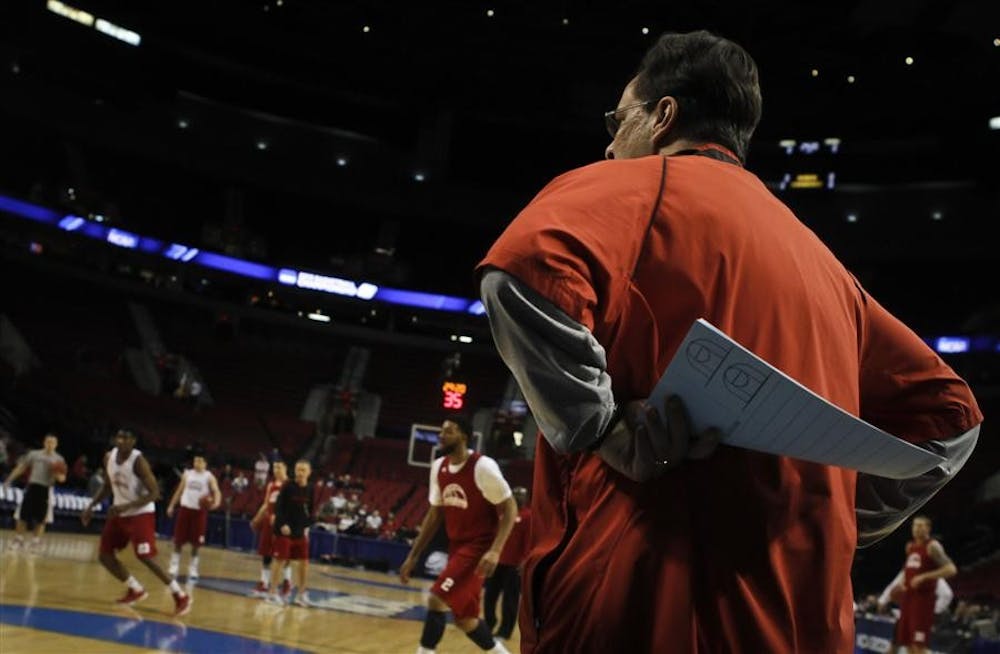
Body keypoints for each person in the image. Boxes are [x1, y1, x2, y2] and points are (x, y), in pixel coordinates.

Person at [476, 30, 982, 653]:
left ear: (663, 117)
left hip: (638, 606)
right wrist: (838, 515)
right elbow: (952, 418)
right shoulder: (826, 265)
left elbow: (521, 268)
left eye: (618, 119)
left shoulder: (630, 187)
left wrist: (600, 431)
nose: (610, 143)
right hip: (804, 625)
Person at [399, 415, 517, 654]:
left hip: (479, 547)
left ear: (464, 436)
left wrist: (495, 550)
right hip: (457, 547)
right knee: (466, 621)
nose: (441, 435)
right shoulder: (438, 467)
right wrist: (413, 556)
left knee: (436, 599)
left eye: (449, 431)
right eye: (441, 431)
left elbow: (510, 506)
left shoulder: (483, 466)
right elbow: (434, 515)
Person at [81, 429, 191, 616]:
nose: (121, 441)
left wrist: (127, 507)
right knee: (105, 556)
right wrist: (91, 505)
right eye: (119, 437)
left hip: (141, 513)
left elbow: (155, 494)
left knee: (146, 556)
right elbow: (108, 485)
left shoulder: (139, 462)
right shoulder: (109, 457)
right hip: (119, 512)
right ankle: (135, 589)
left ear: (133, 441)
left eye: (126, 438)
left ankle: (180, 595)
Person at [887, 516, 958, 653]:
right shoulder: (910, 547)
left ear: (928, 529)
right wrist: (902, 583)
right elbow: (907, 569)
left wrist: (924, 576)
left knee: (919, 646)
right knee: (908, 644)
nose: (917, 529)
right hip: (908, 599)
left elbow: (951, 569)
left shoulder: (932, 546)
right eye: (914, 525)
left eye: (921, 525)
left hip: (923, 601)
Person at [3, 433, 66, 552]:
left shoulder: (59, 459)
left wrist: (56, 473)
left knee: (41, 518)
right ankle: (18, 540)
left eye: (52, 443)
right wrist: (9, 479)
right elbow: (22, 467)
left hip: (46, 489)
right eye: (48, 442)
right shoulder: (34, 454)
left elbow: (62, 479)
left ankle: (35, 542)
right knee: (22, 514)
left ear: (56, 445)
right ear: (44, 442)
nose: (50, 445)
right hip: (32, 486)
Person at [165, 450, 221, 582]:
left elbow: (216, 491)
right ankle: (174, 566)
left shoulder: (209, 477)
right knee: (178, 541)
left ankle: (193, 568)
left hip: (199, 512)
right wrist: (171, 505)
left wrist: (216, 502)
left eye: (201, 461)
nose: (198, 463)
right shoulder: (187, 474)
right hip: (185, 510)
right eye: (196, 460)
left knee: (196, 544)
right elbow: (179, 491)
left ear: (205, 463)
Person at [484, 486, 531, 642]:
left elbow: (529, 541)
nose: (518, 497)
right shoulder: (503, 513)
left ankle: (505, 631)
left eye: (521, 495)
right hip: (497, 562)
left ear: (526, 498)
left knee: (509, 600)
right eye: (516, 494)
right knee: (489, 595)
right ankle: (489, 624)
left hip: (514, 566)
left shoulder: (528, 516)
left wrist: (524, 560)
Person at [268, 459, 314, 607]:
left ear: (309, 472)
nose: (300, 473)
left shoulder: (311, 488)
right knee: (279, 560)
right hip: (284, 530)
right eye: (298, 469)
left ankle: (301, 594)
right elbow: (278, 508)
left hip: (300, 531)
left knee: (304, 562)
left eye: (303, 470)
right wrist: (282, 524)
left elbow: (310, 510)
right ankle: (272, 593)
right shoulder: (288, 486)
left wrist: (309, 523)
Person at [249, 460, 292, 597]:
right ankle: (264, 582)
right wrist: (257, 518)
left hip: (283, 523)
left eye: (279, 467)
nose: (276, 470)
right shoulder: (271, 485)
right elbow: (266, 504)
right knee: (266, 552)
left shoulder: (290, 485)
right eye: (274, 467)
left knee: (283, 555)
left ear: (285, 468)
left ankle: (287, 581)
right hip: (269, 521)